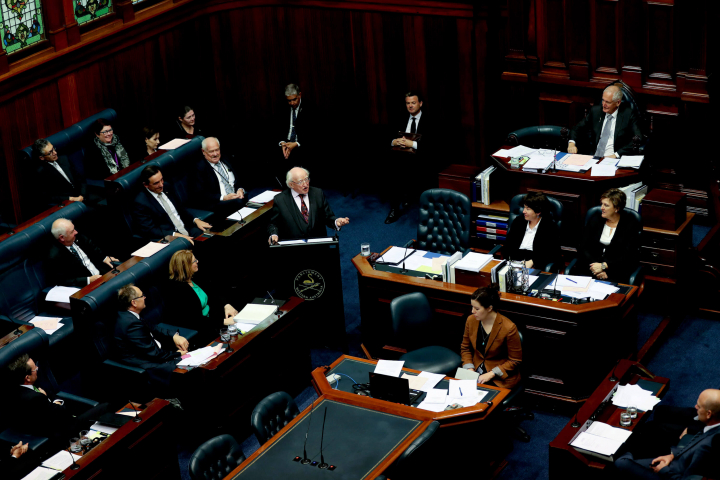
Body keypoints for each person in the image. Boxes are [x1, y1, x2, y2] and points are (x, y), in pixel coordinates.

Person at [614, 389, 720, 479]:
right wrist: (672, 455)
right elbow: (694, 446)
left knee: (621, 462)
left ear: (708, 414)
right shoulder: (713, 426)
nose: (695, 407)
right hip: (675, 461)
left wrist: (663, 470)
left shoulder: (709, 446)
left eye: (699, 406)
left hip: (670, 474)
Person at [5, 354, 110, 441]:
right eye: (35, 369)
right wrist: (54, 402)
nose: (37, 369)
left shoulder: (20, 387)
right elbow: (60, 412)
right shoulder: (33, 398)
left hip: (55, 418)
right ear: (27, 377)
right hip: (62, 430)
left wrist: (51, 400)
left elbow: (50, 394)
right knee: (105, 407)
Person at [113, 284, 189, 387]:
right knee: (189, 366)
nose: (145, 297)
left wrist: (174, 336)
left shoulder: (129, 315)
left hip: (155, 354)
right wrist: (177, 354)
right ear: (134, 302)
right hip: (149, 365)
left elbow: (153, 328)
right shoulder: (130, 324)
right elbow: (153, 354)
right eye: (142, 296)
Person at [163, 250, 238, 343]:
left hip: (214, 319)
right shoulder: (178, 290)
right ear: (186, 266)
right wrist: (223, 322)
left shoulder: (195, 277)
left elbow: (214, 292)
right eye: (194, 261)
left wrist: (226, 305)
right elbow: (194, 320)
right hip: (204, 329)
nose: (197, 262)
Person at [385, 90, 435, 224]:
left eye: (413, 103)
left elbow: (432, 146)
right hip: (401, 157)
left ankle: (425, 211)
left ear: (420, 103)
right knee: (393, 169)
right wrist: (394, 141)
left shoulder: (429, 121)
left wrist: (411, 143)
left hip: (421, 159)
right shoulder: (400, 118)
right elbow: (388, 137)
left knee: (421, 170)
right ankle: (394, 209)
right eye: (408, 103)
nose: (410, 106)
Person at [460, 284, 522, 389]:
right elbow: (465, 348)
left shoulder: (508, 328)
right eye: (472, 307)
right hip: (475, 371)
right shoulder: (471, 320)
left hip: (499, 377)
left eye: (477, 308)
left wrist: (492, 373)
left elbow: (515, 360)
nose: (472, 311)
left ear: (489, 308)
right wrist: (469, 368)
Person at [267, 167, 349, 244]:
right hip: (294, 249)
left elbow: (327, 216)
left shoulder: (317, 193)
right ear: (291, 184)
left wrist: (336, 222)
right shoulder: (280, 200)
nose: (305, 184)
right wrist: (273, 234)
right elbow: (273, 224)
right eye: (300, 182)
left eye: (306, 179)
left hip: (318, 246)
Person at [131, 165, 212, 241]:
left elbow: (180, 209)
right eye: (156, 183)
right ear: (146, 185)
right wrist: (174, 234)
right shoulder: (140, 202)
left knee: (209, 236)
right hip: (169, 236)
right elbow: (150, 230)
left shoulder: (167, 186)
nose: (161, 185)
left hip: (186, 228)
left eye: (161, 180)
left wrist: (196, 220)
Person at [578, 188, 641, 283]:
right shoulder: (595, 219)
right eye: (602, 204)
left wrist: (604, 267)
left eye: (606, 205)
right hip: (590, 268)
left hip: (616, 272)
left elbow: (628, 256)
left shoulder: (629, 225)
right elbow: (582, 247)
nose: (601, 208)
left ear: (617, 208)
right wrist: (596, 268)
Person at [568, 84, 643, 158]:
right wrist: (571, 143)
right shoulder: (596, 111)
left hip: (614, 159)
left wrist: (616, 155)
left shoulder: (628, 114)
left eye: (608, 102)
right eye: (603, 100)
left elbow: (638, 138)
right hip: (593, 157)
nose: (604, 104)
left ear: (618, 102)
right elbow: (576, 128)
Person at [46, 218, 119, 287]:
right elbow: (63, 280)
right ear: (62, 238)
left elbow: (93, 248)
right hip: (86, 286)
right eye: (72, 232)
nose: (76, 232)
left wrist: (104, 258)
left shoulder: (78, 237)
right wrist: (88, 280)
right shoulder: (54, 257)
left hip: (102, 273)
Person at [504, 192, 561, 270]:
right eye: (524, 207)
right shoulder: (518, 222)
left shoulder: (550, 227)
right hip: (513, 263)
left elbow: (553, 254)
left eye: (528, 209)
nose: (523, 211)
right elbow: (507, 246)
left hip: (536, 266)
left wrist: (533, 261)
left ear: (538, 212)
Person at [190, 137, 246, 215]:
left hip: (238, 196)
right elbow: (200, 195)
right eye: (211, 151)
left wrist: (240, 189)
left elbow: (239, 178)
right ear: (203, 151)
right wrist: (224, 197)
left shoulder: (225, 158)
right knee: (239, 203)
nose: (215, 154)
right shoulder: (199, 168)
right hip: (218, 202)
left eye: (217, 150)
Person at [33, 138, 86, 205]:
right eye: (50, 153)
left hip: (82, 195)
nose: (55, 153)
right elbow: (49, 197)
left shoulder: (64, 158)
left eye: (53, 149)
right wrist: (72, 199)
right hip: (66, 202)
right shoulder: (41, 172)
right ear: (42, 157)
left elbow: (81, 179)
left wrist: (82, 195)